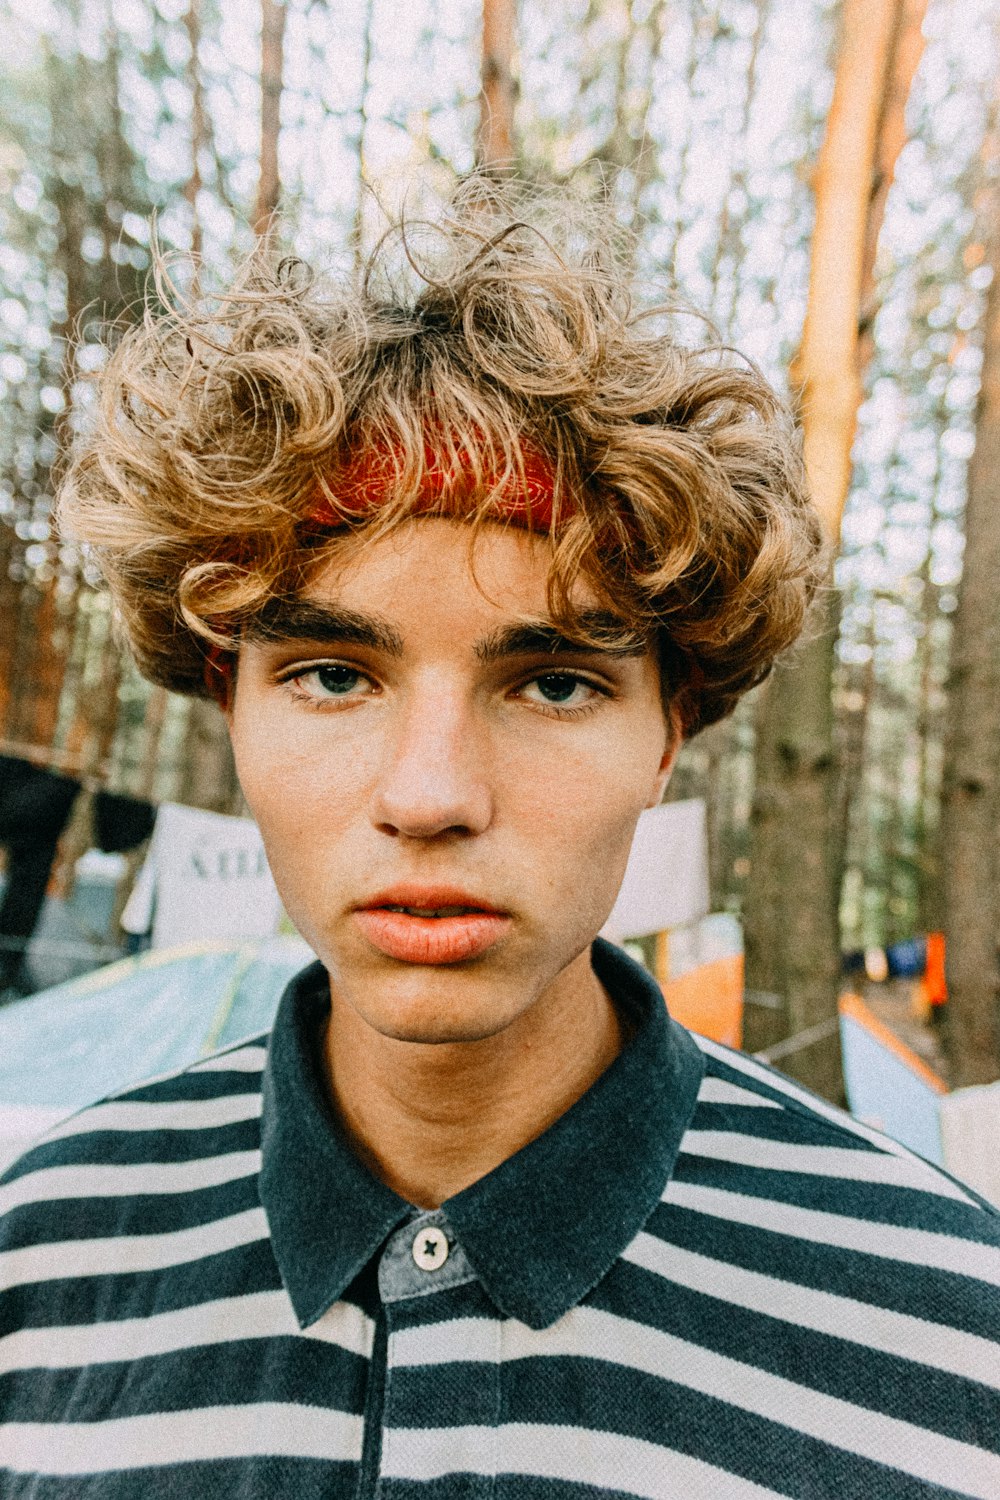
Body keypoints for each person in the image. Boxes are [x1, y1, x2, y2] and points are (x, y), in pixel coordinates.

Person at [1, 180, 997, 1499]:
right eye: (333, 675)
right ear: (224, 700)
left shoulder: (945, 1325)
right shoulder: (38, 1257)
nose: (430, 796)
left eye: (553, 682)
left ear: (668, 733)